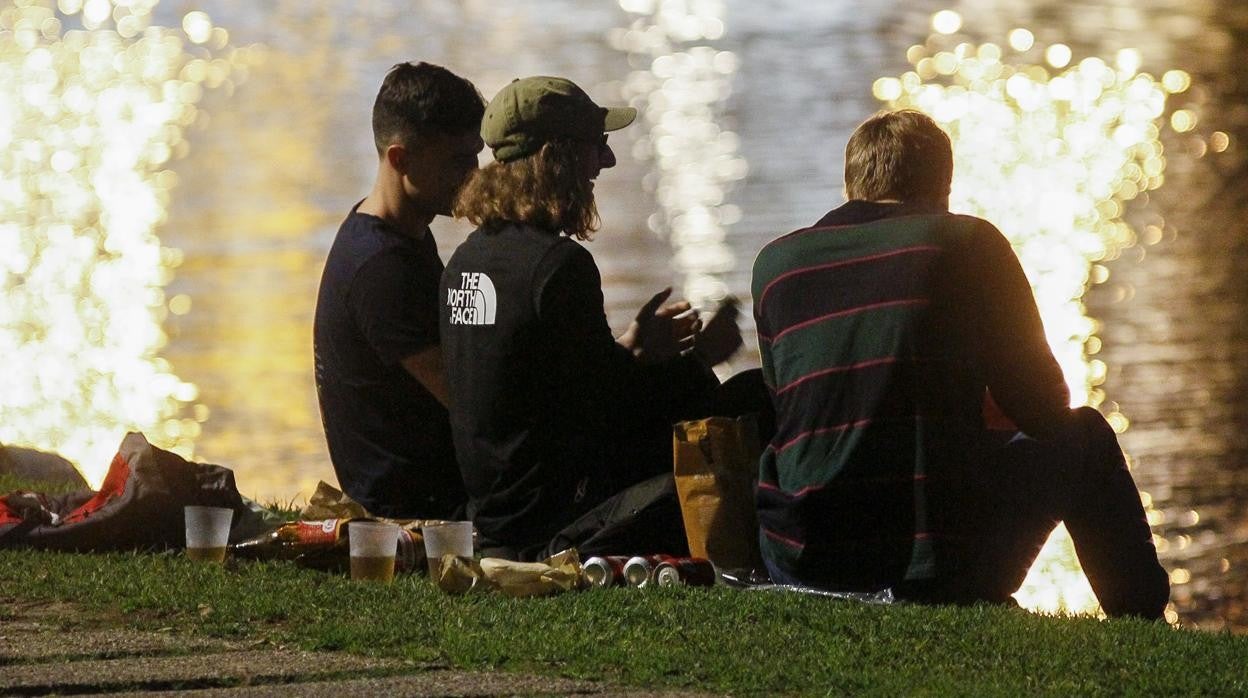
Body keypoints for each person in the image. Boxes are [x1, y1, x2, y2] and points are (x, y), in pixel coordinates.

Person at [750, 109, 1169, 619]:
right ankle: (1144, 617)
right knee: (1087, 436)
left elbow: (798, 413)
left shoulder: (776, 266)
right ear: (943, 186)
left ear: (850, 185)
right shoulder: (968, 244)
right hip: (934, 564)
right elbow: (1044, 409)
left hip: (801, 560)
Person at [440, 76, 743, 560]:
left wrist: (636, 350)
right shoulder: (557, 266)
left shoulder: (465, 262)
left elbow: (550, 394)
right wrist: (699, 357)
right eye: (596, 146)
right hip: (554, 522)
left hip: (498, 519)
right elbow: (606, 417)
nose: (607, 161)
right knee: (746, 406)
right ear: (555, 158)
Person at [313, 62, 484, 519]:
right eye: (458, 161)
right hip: (419, 511)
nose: (475, 175)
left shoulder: (398, 234)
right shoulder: (381, 268)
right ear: (400, 159)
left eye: (476, 155)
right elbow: (472, 402)